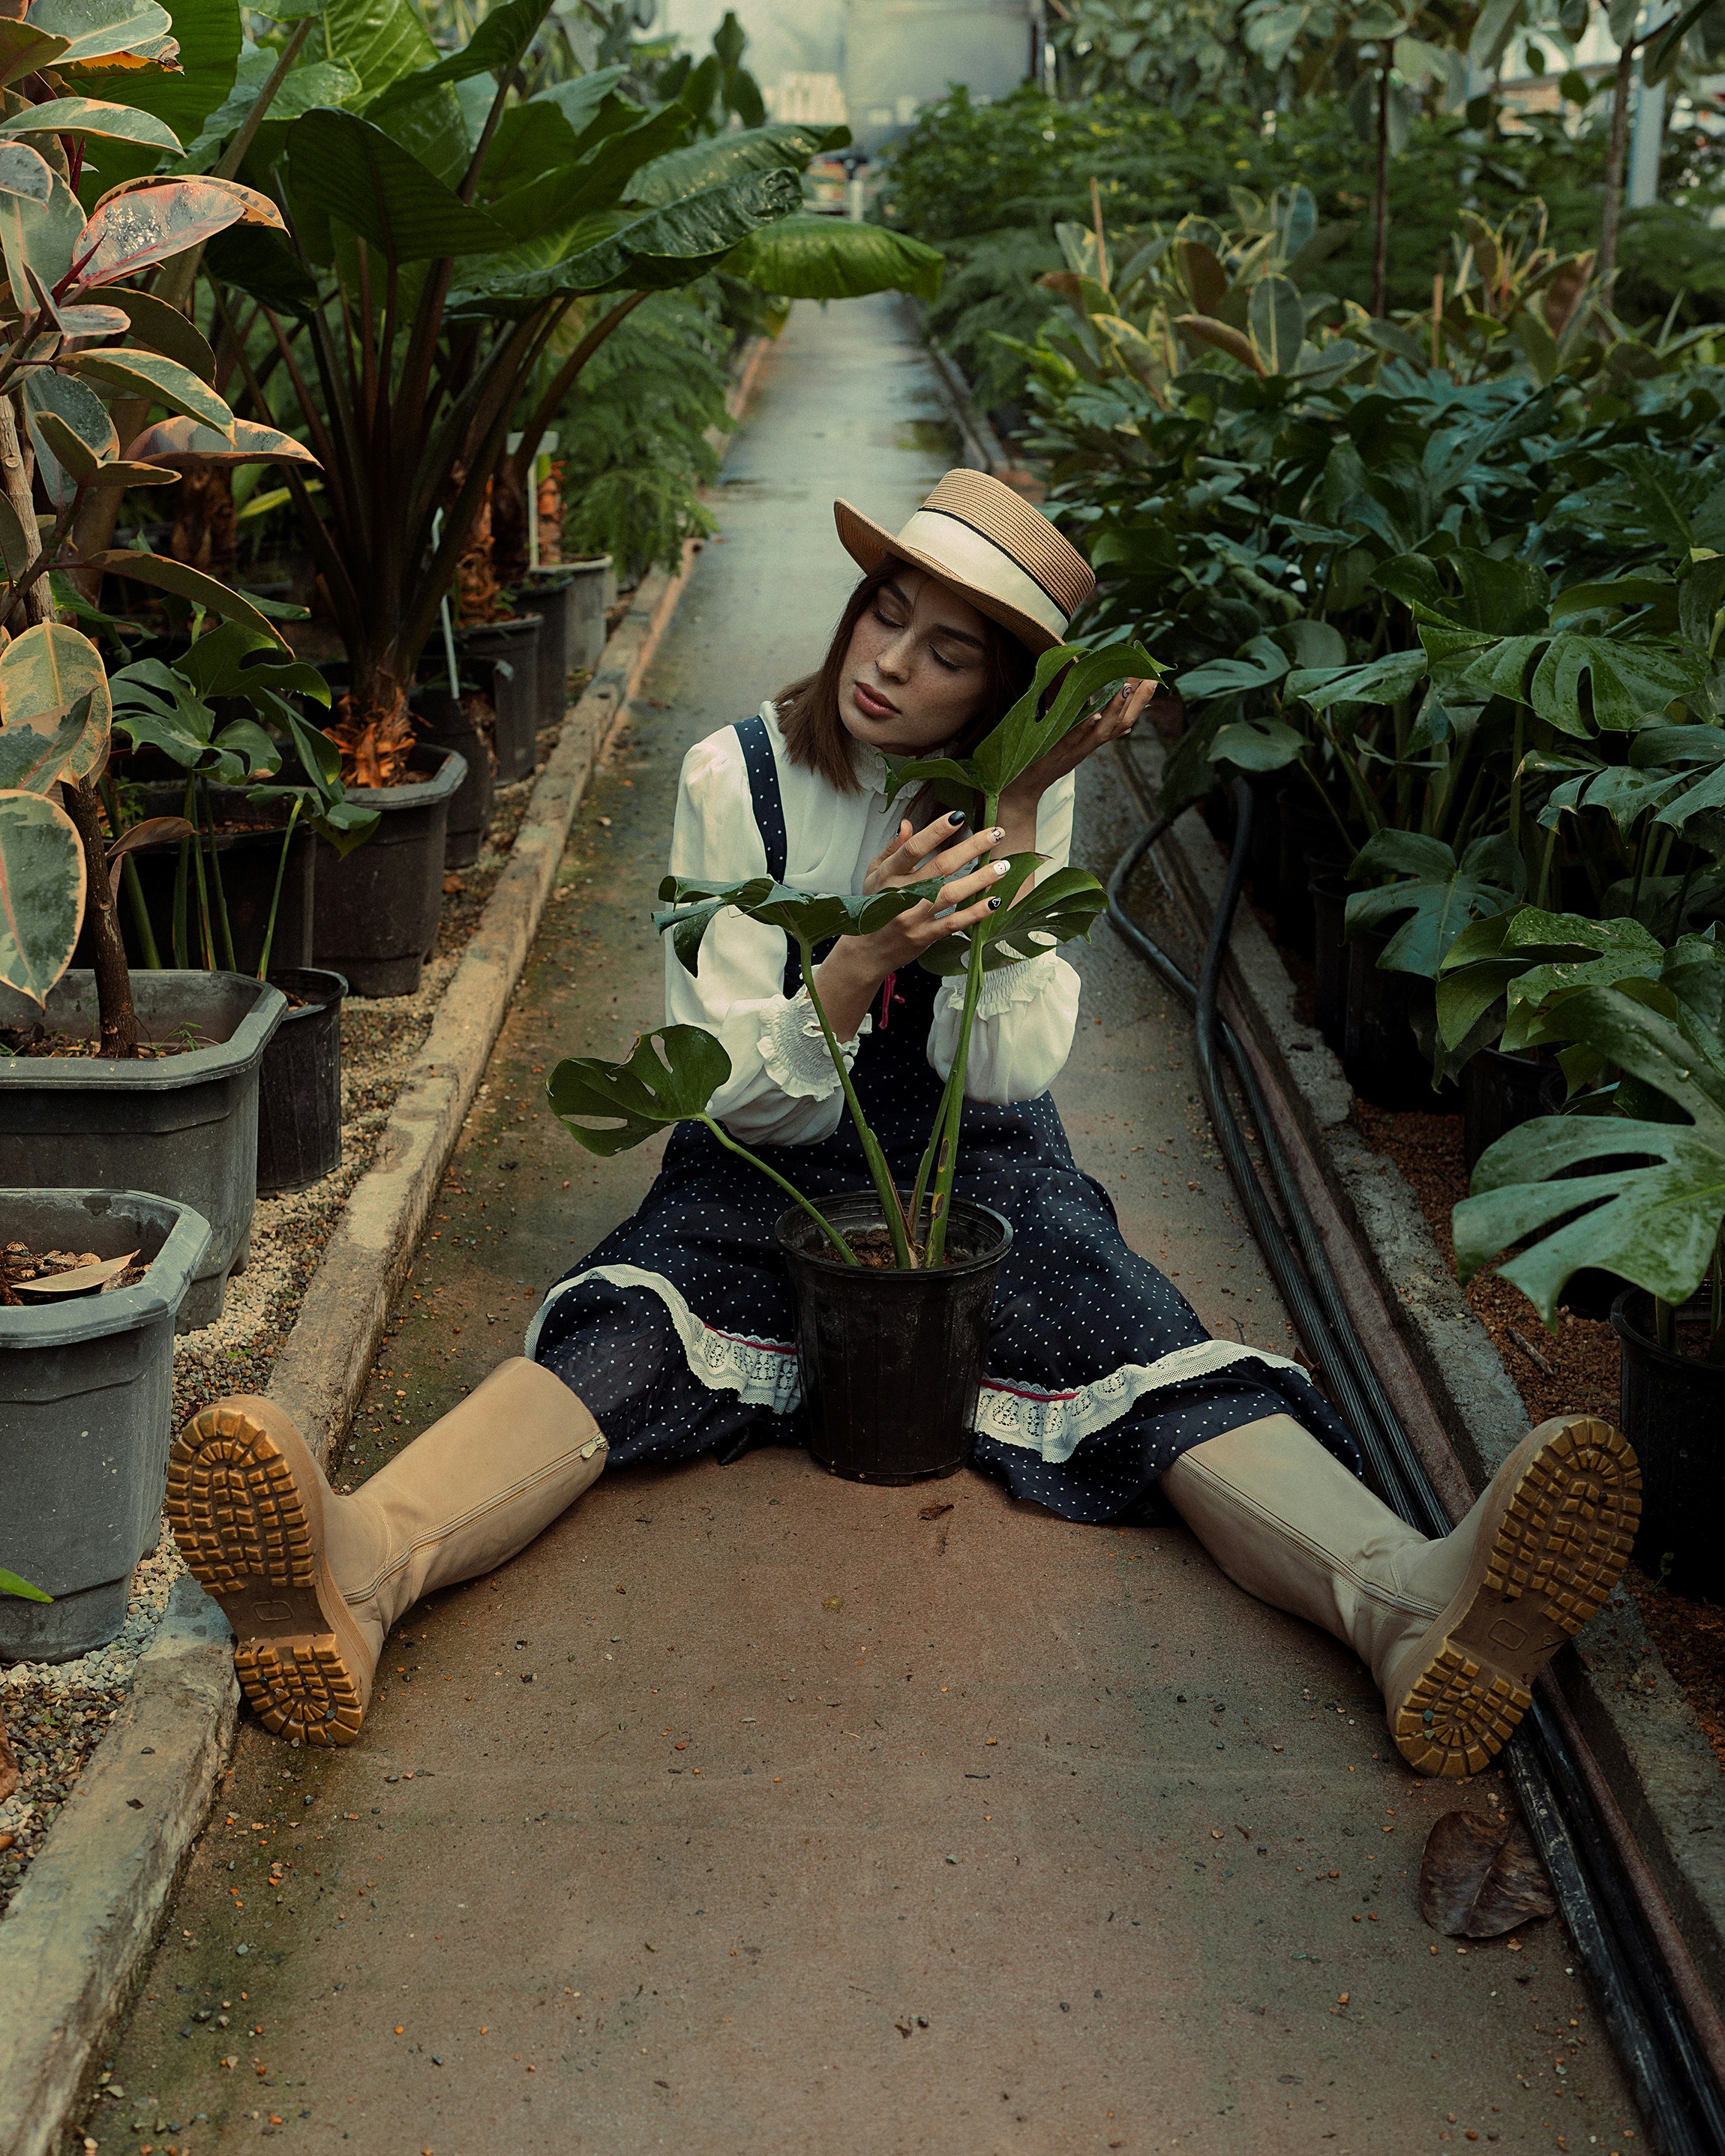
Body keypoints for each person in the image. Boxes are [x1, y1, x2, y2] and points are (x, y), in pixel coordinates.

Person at [167, 470, 1640, 1772]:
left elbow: (1009, 1074)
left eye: (948, 655)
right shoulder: (730, 778)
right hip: (766, 1147)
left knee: (1129, 1329)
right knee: (629, 1327)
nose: (889, 664)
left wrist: (991, 872)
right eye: (884, 613)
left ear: (994, 696)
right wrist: (860, 951)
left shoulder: (1019, 789)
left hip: (975, 1158)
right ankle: (362, 1567)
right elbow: (722, 1071)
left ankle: (1401, 1599)